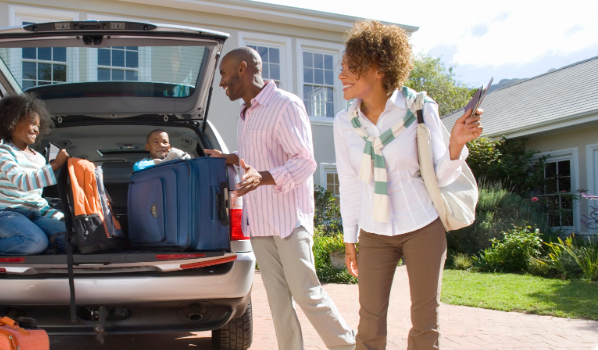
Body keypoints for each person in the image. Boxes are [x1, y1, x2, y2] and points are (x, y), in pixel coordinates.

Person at [333, 21, 484, 350]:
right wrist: (350, 238)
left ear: (376, 68)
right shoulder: (345, 123)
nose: (341, 75)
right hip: (374, 232)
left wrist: (456, 143)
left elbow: (440, 175)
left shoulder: (419, 108)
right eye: (341, 68)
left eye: (349, 68)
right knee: (369, 326)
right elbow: (350, 183)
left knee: (425, 325)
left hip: (422, 226)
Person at [206, 47, 356, 350]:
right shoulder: (246, 112)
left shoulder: (285, 105)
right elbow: (255, 158)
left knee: (306, 293)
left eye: (223, 74)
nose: (221, 82)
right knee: (277, 301)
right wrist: (231, 158)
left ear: (242, 69)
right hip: (259, 222)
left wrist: (262, 176)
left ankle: (348, 346)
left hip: (288, 219)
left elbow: (304, 162)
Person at [0, 93, 71, 256]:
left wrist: (62, 217)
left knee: (71, 238)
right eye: (32, 123)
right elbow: (22, 182)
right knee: (35, 242)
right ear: (11, 122)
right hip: (8, 214)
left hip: (35, 215)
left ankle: (42, 247)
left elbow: (35, 198)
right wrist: (56, 164)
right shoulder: (3, 152)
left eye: (38, 126)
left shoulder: (38, 158)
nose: (36, 129)